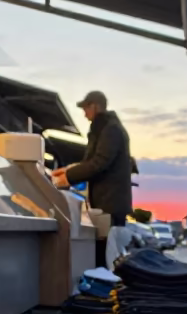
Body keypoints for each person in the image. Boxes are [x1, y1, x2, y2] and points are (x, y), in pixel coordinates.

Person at [52, 91, 132, 267]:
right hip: (107, 203)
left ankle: (109, 292)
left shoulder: (110, 129)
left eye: (85, 108)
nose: (84, 113)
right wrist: (67, 170)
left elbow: (99, 162)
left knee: (108, 258)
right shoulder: (105, 128)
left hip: (110, 204)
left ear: (95, 106)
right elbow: (92, 161)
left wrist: (67, 177)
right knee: (106, 256)